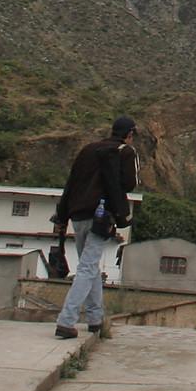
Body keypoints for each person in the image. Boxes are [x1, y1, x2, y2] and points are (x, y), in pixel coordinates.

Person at [52, 115, 140, 339]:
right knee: (87, 268)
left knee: (89, 267)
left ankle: (95, 319)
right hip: (101, 217)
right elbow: (130, 184)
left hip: (77, 214)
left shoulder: (88, 150)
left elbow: (71, 182)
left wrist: (62, 216)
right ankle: (66, 320)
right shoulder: (125, 152)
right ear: (129, 134)